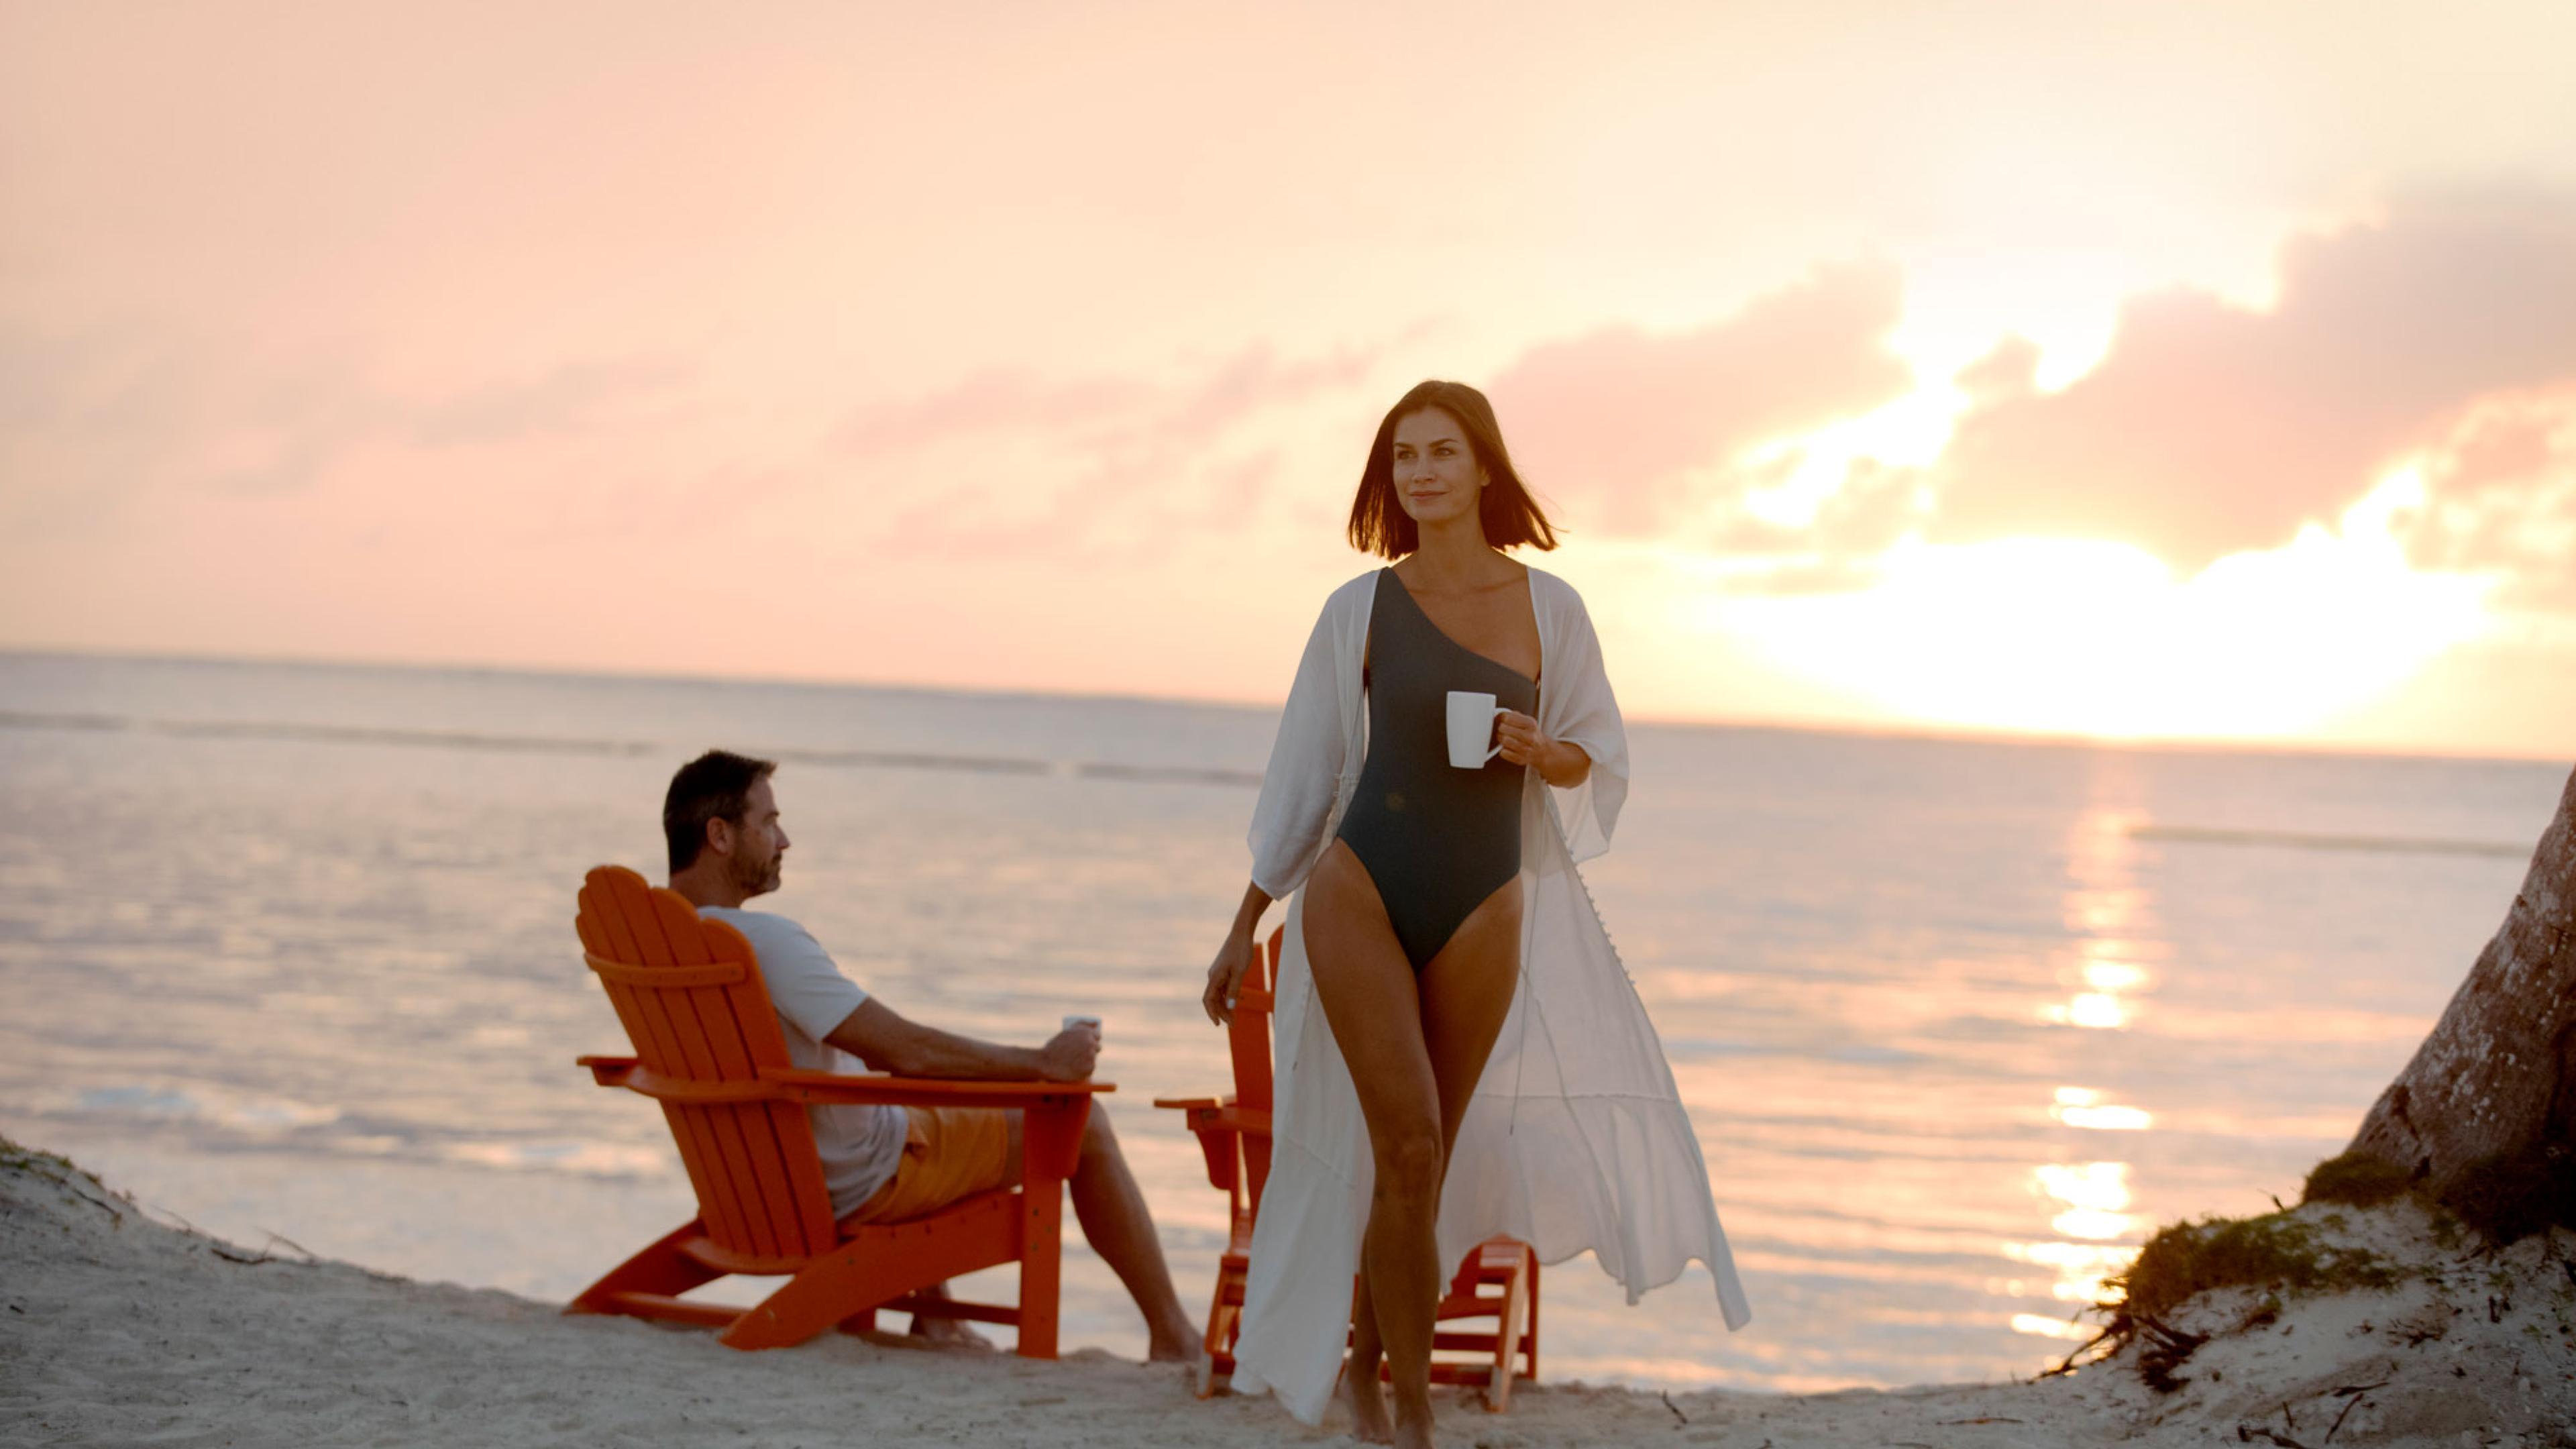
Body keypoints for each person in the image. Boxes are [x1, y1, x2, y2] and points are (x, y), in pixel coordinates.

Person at [1201, 380, 1751, 1444]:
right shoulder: (1356, 610)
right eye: (1404, 456)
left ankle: (1368, 1363)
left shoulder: (1553, 607)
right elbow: (1306, 779)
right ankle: (1411, 1409)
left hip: (1485, 900)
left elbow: (1599, 748)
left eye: (1443, 452)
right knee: (1402, 1145)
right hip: (1361, 885)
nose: (1422, 472)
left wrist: (1547, 753)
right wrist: (1245, 925)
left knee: (1423, 1163)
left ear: (1485, 468)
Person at [661, 749, 1198, 1362]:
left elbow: (895, 1060)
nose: (785, 839)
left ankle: (935, 1322)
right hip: (859, 1180)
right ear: (721, 836)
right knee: (1081, 1124)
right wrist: (1041, 1064)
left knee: (918, 1105)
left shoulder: (665, 944)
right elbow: (907, 1051)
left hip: (752, 1187)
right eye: (769, 822)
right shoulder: (767, 942)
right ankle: (1174, 1336)